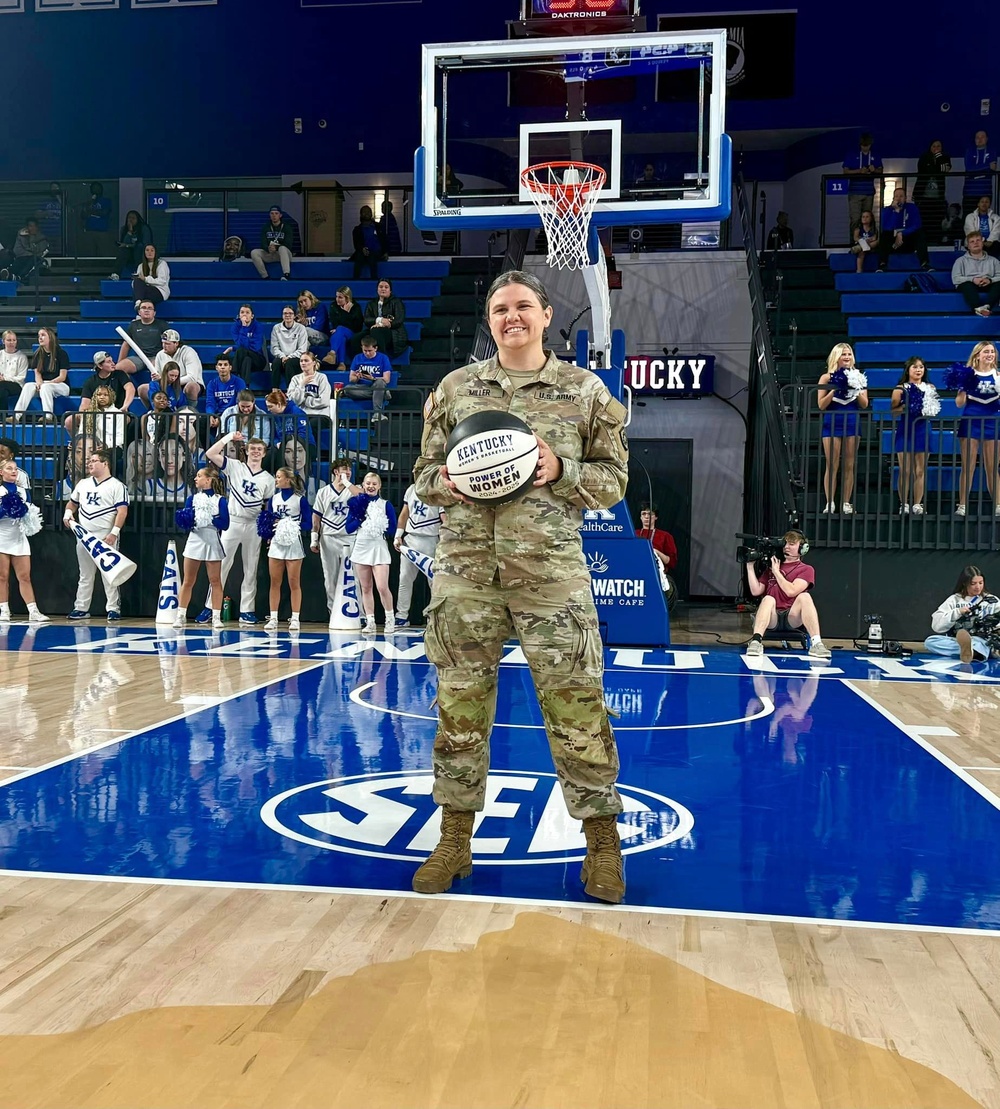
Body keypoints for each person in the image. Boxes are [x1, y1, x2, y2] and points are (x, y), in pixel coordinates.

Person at [411, 269, 629, 903]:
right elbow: (423, 473)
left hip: (551, 578)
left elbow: (614, 481)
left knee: (579, 711)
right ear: (489, 320)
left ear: (545, 314)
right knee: (459, 713)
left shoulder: (584, 391)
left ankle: (603, 849)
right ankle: (453, 842)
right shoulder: (454, 391)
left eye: (523, 306)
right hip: (467, 578)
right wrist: (442, 485)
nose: (512, 316)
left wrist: (562, 470)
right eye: (500, 307)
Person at [205, 431, 275, 626]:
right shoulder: (235, 466)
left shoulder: (268, 479)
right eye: (252, 449)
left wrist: (267, 530)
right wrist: (228, 438)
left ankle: (247, 610)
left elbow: (267, 507)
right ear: (246, 450)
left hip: (253, 524)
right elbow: (211, 454)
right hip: (233, 521)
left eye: (259, 450)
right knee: (222, 564)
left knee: (251, 568)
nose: (255, 452)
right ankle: (211, 607)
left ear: (264, 453)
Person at [64, 447, 129, 622]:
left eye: (94, 461)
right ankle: (81, 607)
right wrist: (67, 514)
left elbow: (122, 511)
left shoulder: (117, 486)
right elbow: (72, 504)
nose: (90, 464)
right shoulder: (83, 484)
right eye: (90, 461)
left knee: (110, 574)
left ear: (105, 463)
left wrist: (114, 533)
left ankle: (113, 608)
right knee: (85, 574)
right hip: (84, 536)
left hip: (106, 537)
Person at [745, 532, 831, 660]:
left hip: (792, 617)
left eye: (791, 544)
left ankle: (817, 644)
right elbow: (756, 591)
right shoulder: (772, 567)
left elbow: (791, 591)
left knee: (805, 597)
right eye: (785, 544)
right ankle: (756, 642)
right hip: (773, 617)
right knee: (768, 599)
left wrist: (776, 572)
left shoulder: (806, 569)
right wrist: (750, 567)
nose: (786, 547)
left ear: (803, 548)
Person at [173, 466, 230, 630]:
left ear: (209, 480)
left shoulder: (220, 500)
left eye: (199, 476)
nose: (196, 479)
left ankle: (216, 617)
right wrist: (189, 518)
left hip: (212, 539)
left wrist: (210, 518)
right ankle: (181, 615)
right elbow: (186, 521)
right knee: (188, 580)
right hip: (195, 539)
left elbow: (225, 524)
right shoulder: (192, 499)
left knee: (215, 581)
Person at [817, 342, 869, 514]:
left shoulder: (858, 376)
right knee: (832, 464)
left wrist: (856, 390)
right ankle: (830, 502)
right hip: (832, 422)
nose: (846, 357)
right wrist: (834, 391)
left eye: (849, 354)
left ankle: (846, 503)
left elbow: (864, 404)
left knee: (849, 464)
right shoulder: (826, 377)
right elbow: (821, 405)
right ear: (836, 357)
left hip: (852, 421)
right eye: (843, 354)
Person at [345, 471, 398, 637]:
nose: (371, 486)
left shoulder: (385, 504)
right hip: (361, 546)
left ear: (379, 486)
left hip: (379, 546)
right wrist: (361, 518)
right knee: (366, 587)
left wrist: (379, 523)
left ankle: (390, 619)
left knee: (382, 587)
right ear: (363, 485)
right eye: (368, 483)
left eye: (374, 483)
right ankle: (370, 621)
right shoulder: (356, 503)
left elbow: (393, 528)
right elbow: (348, 528)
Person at [259, 467, 312, 631]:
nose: (276, 480)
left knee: (294, 583)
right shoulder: (273, 499)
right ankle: (273, 617)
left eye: (279, 477)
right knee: (274, 582)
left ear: (288, 480)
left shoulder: (300, 499)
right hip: (276, 544)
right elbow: (267, 521)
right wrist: (271, 531)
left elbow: (308, 523)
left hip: (293, 543)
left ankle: (295, 618)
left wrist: (290, 525)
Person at [310, 459, 361, 626]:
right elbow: (316, 516)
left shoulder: (354, 489)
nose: (347, 472)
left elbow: (362, 497)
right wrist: (314, 538)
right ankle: (333, 610)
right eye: (343, 470)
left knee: (354, 576)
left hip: (349, 537)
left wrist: (347, 483)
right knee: (330, 576)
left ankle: (358, 613)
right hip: (329, 537)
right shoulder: (324, 492)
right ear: (335, 472)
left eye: (349, 470)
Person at [953, 341, 1000, 517]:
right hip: (971, 421)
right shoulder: (968, 375)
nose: (990, 354)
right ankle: (963, 505)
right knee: (968, 466)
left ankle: (998, 505)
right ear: (977, 355)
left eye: (992, 352)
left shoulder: (998, 376)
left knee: (992, 467)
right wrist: (965, 386)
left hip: (993, 422)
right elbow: (959, 404)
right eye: (986, 351)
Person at [0, 459, 47, 625]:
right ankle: (4, 610)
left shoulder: (23, 491)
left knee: (25, 576)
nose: (13, 471)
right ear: (1, 472)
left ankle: (33, 611)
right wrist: (5, 509)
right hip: (1, 536)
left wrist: (23, 511)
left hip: (18, 537)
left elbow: (29, 513)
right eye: (9, 468)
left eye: (15, 469)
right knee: (2, 576)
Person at [891, 356, 939, 516]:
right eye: (915, 367)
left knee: (920, 470)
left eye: (921, 367)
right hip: (906, 429)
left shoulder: (930, 387)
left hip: (923, 429)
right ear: (908, 370)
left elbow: (933, 409)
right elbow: (893, 412)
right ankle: (903, 503)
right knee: (905, 469)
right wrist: (907, 405)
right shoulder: (900, 388)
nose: (918, 370)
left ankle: (917, 504)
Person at [393, 482, 443, 628]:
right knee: (404, 579)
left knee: (434, 581)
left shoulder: (439, 489)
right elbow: (404, 513)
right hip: (411, 539)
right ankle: (401, 616)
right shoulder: (411, 488)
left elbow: (444, 517)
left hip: (431, 540)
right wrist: (398, 535)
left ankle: (435, 617)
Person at [926, 565, 1000, 663]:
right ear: (965, 583)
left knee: (982, 644)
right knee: (930, 642)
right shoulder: (954, 599)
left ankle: (973, 651)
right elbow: (937, 626)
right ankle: (972, 652)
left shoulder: (992, 600)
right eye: (973, 583)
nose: (978, 587)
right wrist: (957, 612)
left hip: (983, 639)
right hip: (958, 640)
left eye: (981, 583)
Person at [14, 327, 69, 421]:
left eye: (43, 335)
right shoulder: (38, 354)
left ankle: (48, 417)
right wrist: (39, 383)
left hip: (61, 385)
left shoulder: (61, 353)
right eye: (39, 335)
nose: (40, 338)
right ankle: (16, 417)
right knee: (28, 386)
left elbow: (62, 377)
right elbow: (37, 374)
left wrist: (46, 383)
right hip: (44, 385)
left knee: (45, 387)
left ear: (50, 337)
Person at [876, 187, 931, 271]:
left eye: (901, 196)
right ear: (893, 198)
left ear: (905, 198)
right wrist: (897, 211)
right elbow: (887, 227)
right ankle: (882, 264)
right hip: (893, 244)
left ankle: (925, 263)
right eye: (896, 196)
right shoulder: (887, 210)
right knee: (885, 235)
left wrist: (902, 233)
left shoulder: (912, 208)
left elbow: (917, 225)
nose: (898, 198)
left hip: (908, 242)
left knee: (920, 233)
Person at [145, 328, 203, 408]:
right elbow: (157, 376)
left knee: (192, 386)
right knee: (143, 389)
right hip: (167, 383)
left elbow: (192, 377)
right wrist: (158, 379)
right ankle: (154, 413)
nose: (164, 346)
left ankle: (189, 412)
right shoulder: (160, 354)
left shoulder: (189, 352)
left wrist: (172, 381)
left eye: (167, 344)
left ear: (176, 343)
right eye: (163, 343)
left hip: (184, 384)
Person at [115, 300, 168, 385]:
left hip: (156, 357)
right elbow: (126, 344)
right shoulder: (133, 325)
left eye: (149, 308)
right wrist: (120, 362)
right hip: (139, 358)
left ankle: (158, 394)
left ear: (154, 313)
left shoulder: (162, 324)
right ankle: (128, 392)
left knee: (159, 372)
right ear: (139, 312)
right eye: (143, 308)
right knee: (118, 369)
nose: (146, 310)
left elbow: (169, 342)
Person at [345, 336, 392, 423]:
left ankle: (377, 414)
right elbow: (351, 379)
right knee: (347, 389)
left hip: (376, 384)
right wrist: (357, 377)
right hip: (362, 387)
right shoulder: (357, 358)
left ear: (375, 348)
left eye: (369, 351)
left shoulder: (383, 358)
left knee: (380, 382)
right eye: (365, 351)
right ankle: (382, 393)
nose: (367, 353)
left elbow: (387, 379)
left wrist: (372, 378)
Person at [952, 230, 1000, 317]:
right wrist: (973, 279)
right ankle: (977, 308)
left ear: (982, 243)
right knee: (966, 285)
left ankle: (987, 307)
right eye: (972, 241)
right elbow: (956, 278)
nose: (975, 243)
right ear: (968, 246)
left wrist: (990, 280)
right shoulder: (960, 261)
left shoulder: (994, 260)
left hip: (988, 284)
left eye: (978, 240)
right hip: (970, 285)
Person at [636, 504, 678, 603]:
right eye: (644, 514)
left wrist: (655, 551)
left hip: (658, 575)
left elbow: (671, 562)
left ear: (656, 517)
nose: (646, 516)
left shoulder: (665, 536)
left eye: (650, 514)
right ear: (640, 517)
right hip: (637, 574)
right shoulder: (634, 534)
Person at [842, 132, 882, 233]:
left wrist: (874, 170)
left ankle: (867, 242)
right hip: (855, 192)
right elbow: (845, 171)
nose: (865, 148)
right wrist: (859, 171)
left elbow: (881, 170)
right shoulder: (852, 154)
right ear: (860, 145)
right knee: (855, 219)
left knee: (868, 219)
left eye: (867, 145)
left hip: (869, 192)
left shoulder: (875, 155)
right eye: (863, 145)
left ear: (870, 144)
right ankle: (854, 243)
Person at [363, 277, 408, 359]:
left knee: (375, 331)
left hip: (393, 332)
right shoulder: (371, 303)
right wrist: (380, 320)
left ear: (390, 290)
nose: (383, 289)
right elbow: (366, 319)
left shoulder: (396, 302)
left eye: (386, 287)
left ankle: (381, 360)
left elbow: (399, 320)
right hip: (374, 329)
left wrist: (383, 325)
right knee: (356, 338)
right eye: (380, 287)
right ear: (377, 289)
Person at [913, 139, 952, 237]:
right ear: (930, 147)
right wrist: (936, 168)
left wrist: (938, 158)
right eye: (934, 146)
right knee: (924, 219)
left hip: (938, 196)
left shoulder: (945, 157)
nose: (936, 148)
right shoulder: (924, 157)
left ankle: (935, 240)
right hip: (923, 196)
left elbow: (945, 169)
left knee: (936, 219)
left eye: (938, 146)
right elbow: (924, 170)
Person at [225, 304, 268, 386]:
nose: (244, 315)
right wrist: (243, 328)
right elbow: (240, 344)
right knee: (247, 360)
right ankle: (245, 387)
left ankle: (232, 378)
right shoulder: (235, 327)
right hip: (244, 358)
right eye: (242, 312)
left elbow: (255, 347)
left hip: (258, 359)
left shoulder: (258, 327)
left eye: (247, 312)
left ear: (252, 316)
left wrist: (233, 348)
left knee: (241, 351)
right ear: (239, 315)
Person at [205, 354, 246, 437]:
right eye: (220, 365)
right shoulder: (212, 384)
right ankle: (208, 449)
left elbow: (240, 402)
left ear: (230, 367)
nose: (222, 367)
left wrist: (222, 418)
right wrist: (211, 415)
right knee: (199, 423)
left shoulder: (239, 382)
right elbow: (210, 402)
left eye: (225, 365)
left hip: (234, 414)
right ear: (216, 368)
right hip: (217, 414)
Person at [270, 305, 309, 390]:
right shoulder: (276, 328)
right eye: (285, 313)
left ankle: (290, 391)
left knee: (289, 363)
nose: (287, 315)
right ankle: (275, 390)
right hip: (282, 357)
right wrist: (283, 356)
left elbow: (302, 349)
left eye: (290, 313)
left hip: (296, 358)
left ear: (294, 316)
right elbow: (274, 347)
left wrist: (289, 357)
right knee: (276, 362)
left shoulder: (301, 328)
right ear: (282, 316)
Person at [250, 206, 293, 280]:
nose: (274, 216)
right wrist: (268, 248)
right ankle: (265, 276)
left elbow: (288, 244)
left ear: (280, 215)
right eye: (272, 213)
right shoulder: (266, 227)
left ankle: (286, 274)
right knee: (254, 252)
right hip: (270, 253)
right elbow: (263, 243)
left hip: (283, 254)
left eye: (276, 213)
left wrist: (276, 247)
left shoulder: (286, 227)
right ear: (269, 215)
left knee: (282, 248)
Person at [327, 285, 364, 368]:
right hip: (338, 333)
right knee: (341, 337)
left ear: (347, 298)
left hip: (353, 334)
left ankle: (332, 353)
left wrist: (345, 313)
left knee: (340, 329)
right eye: (336, 296)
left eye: (340, 297)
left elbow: (357, 326)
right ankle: (341, 364)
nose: (337, 299)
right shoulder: (333, 306)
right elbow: (334, 322)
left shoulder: (355, 307)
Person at [963, 130, 996, 218]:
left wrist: (977, 170)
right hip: (970, 192)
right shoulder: (969, 151)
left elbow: (993, 168)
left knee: (984, 220)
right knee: (969, 219)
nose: (980, 139)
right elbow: (969, 168)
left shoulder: (991, 151)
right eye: (977, 137)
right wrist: (987, 166)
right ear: (974, 139)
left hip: (985, 191)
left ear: (987, 139)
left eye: (982, 137)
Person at [287, 350, 332, 415]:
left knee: (312, 424)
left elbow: (324, 401)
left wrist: (305, 400)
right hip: (301, 415)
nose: (303, 363)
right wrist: (302, 385)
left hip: (319, 415)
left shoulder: (321, 377)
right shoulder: (295, 379)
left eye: (306, 360)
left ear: (314, 363)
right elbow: (293, 401)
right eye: (301, 361)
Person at [112, 211, 152, 281]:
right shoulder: (124, 229)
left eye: (133, 218)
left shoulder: (144, 228)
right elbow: (124, 243)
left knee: (139, 247)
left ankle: (139, 272)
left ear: (137, 219)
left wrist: (129, 245)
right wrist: (130, 232)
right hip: (129, 255)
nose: (131, 220)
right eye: (129, 218)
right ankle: (116, 274)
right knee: (123, 250)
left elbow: (146, 245)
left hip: (141, 254)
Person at [349, 205, 386, 280]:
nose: (366, 213)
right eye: (364, 212)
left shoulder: (378, 227)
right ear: (361, 214)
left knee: (372, 258)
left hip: (376, 253)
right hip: (363, 252)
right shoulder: (357, 230)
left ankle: (374, 282)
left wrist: (386, 252)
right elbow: (356, 244)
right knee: (359, 257)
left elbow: (384, 240)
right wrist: (362, 249)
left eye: (368, 212)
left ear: (371, 213)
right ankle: (355, 282)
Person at [132, 244, 171, 310]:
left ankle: (139, 308)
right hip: (145, 290)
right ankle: (139, 303)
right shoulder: (141, 266)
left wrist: (145, 279)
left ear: (156, 252)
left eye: (152, 250)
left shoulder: (162, 264)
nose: (149, 252)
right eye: (147, 250)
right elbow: (136, 284)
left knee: (141, 295)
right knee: (137, 282)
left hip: (160, 291)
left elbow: (162, 281)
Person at [0, 330, 28, 412]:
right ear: (3, 341)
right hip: (2, 385)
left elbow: (21, 378)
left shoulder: (22, 357)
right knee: (2, 390)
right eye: (9, 340)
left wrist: (5, 378)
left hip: (17, 385)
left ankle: (2, 417)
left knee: (2, 387)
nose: (12, 342)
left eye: (14, 340)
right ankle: (3, 417)